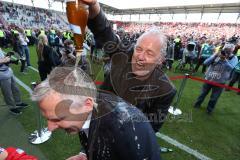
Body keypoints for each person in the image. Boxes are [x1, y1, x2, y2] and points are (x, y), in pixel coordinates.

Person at [31, 67, 161, 160]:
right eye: (48, 119)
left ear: (87, 104)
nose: (49, 127)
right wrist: (85, 155)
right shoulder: (85, 107)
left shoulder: (125, 130)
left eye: (57, 119)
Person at [85, 0, 176, 132]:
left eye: (149, 53)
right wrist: (94, 5)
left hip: (124, 139)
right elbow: (105, 33)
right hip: (97, 121)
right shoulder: (124, 56)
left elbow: (151, 128)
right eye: (138, 49)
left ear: (160, 60)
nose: (141, 56)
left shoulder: (165, 90)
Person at [194, 44, 235, 114]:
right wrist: (215, 55)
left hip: (220, 81)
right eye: (225, 50)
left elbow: (231, 68)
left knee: (214, 97)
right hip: (209, 78)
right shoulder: (218, 54)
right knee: (203, 93)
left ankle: (209, 109)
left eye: (228, 50)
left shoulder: (233, 58)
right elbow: (205, 63)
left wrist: (224, 60)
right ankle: (197, 104)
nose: (226, 52)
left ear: (231, 51)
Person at [0, 48, 28, 115]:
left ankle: (18, 102)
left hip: (7, 70)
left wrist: (8, 55)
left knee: (15, 88)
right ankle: (12, 107)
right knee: (7, 92)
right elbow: (3, 60)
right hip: (2, 74)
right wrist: (4, 60)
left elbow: (3, 58)